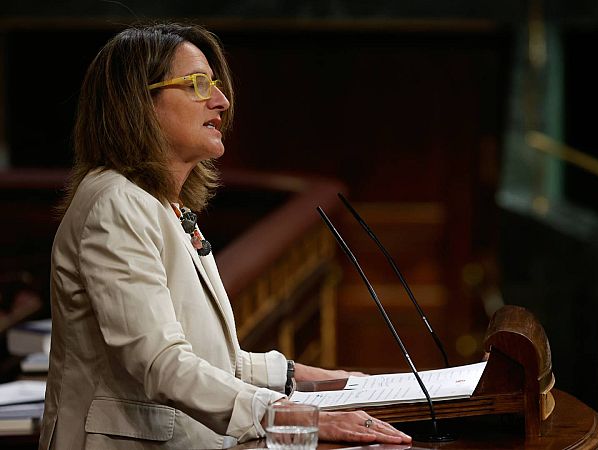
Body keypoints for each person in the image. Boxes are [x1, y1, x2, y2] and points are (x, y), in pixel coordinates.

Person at [40, 22, 412, 449]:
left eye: (215, 84)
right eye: (198, 84)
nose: (221, 101)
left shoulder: (159, 202)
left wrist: (308, 379)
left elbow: (207, 355)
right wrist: (285, 413)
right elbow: (160, 362)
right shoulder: (115, 204)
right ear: (137, 102)